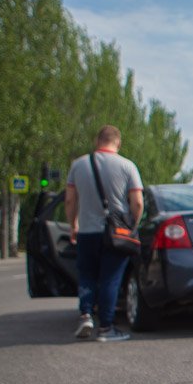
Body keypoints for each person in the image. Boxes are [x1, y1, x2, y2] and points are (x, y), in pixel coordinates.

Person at [65, 125, 144, 342]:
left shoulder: (78, 165)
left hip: (87, 231)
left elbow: (70, 200)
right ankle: (106, 328)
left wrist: (73, 225)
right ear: (118, 142)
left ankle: (85, 315)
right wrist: (132, 227)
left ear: (97, 140)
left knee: (87, 275)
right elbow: (137, 202)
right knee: (110, 278)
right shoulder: (127, 166)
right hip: (116, 234)